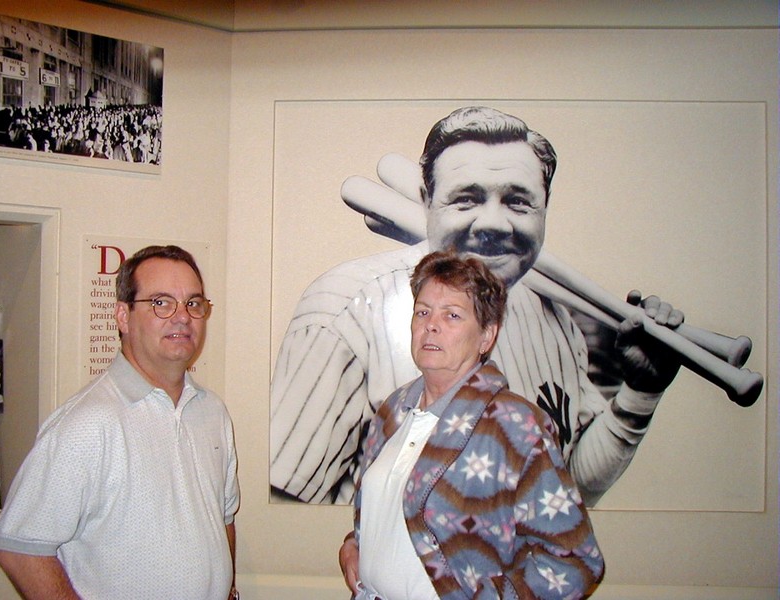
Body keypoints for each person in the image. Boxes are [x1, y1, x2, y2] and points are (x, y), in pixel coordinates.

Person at [270, 106, 683, 506]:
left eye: (517, 201)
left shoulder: (553, 317)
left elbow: (565, 492)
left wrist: (641, 393)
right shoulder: (344, 312)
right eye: (466, 200)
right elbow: (286, 504)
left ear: (545, 206)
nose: (493, 224)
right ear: (426, 200)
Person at [338, 250, 604, 599]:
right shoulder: (392, 411)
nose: (431, 325)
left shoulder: (515, 426)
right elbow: (389, 515)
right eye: (423, 311)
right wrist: (354, 545)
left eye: (452, 315)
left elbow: (576, 564)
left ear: (486, 336)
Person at [0, 245, 240, 600]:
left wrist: (227, 587)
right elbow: (19, 548)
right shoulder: (86, 424)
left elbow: (223, 516)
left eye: (193, 303)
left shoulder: (212, 412)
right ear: (123, 317)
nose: (183, 317)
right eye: (161, 302)